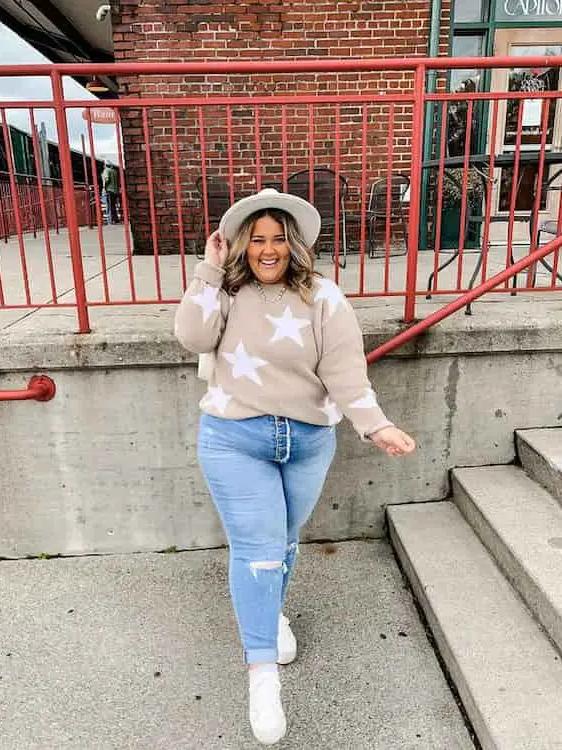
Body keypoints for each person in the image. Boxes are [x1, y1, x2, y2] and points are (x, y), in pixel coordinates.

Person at [174, 188, 415, 745]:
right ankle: (262, 676)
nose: (267, 249)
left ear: (295, 244)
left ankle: (273, 615)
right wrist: (209, 269)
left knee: (282, 541)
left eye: (278, 238)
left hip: (307, 441)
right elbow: (191, 336)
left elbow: (344, 368)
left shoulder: (323, 297)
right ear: (240, 244)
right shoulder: (226, 291)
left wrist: (374, 423)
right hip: (235, 437)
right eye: (256, 238)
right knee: (258, 551)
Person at [101, 160, 119, 224]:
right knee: (113, 205)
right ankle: (115, 219)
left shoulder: (106, 170)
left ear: (105, 165)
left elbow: (106, 179)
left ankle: (110, 220)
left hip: (109, 190)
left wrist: (104, 187)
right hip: (115, 191)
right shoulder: (114, 171)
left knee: (109, 206)